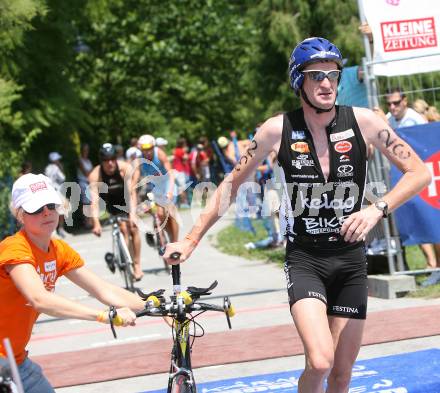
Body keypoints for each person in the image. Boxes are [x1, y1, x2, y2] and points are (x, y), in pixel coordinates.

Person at [163, 37, 431, 393]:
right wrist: (192, 238)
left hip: (351, 260)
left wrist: (376, 209)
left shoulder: (364, 121)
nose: (326, 83)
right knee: (320, 360)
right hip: (306, 259)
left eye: (333, 75)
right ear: (298, 82)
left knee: (341, 372)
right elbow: (230, 186)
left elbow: (419, 172)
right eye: (316, 75)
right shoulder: (277, 129)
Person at [0, 173, 145, 393]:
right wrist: (103, 316)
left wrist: (153, 304)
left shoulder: (58, 250)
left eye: (50, 204)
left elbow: (102, 289)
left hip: (15, 360)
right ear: (20, 215)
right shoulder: (15, 248)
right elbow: (40, 299)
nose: (47, 212)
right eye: (36, 208)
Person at [88, 143, 143, 281]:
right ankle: (123, 257)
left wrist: (133, 215)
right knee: (123, 228)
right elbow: (94, 202)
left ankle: (137, 265)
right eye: (106, 160)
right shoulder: (95, 175)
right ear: (101, 161)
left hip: (126, 199)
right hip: (111, 203)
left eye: (112, 159)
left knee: (133, 228)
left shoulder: (124, 168)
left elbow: (131, 193)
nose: (110, 163)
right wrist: (96, 224)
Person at [134, 134, 179, 243]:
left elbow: (171, 174)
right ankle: (161, 235)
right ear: (141, 149)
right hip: (156, 188)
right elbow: (134, 180)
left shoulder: (159, 154)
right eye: (145, 150)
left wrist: (170, 191)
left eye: (150, 149)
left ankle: (175, 243)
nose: (148, 152)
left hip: (168, 185)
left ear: (153, 147)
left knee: (171, 212)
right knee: (160, 214)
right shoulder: (140, 160)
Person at [44, 152, 67, 238]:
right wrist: (61, 168)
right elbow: (63, 178)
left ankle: (53, 231)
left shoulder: (47, 168)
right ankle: (60, 229)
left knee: (52, 211)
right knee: (61, 211)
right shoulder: (57, 168)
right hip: (57, 191)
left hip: (49, 192)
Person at [77, 143, 94, 229]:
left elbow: (92, 172)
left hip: (89, 182)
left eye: (87, 150)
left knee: (91, 202)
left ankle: (90, 221)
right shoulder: (80, 160)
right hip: (83, 182)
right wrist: (91, 174)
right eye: (85, 150)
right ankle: (86, 222)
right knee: (86, 203)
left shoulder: (88, 161)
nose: (86, 152)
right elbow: (86, 172)